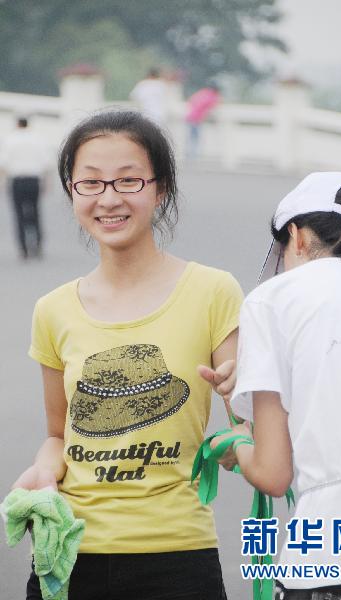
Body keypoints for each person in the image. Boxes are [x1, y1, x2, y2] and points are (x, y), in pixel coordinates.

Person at [11, 109, 243, 600]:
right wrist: (42, 473)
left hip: (180, 559)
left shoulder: (213, 292)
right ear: (71, 192)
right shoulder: (53, 310)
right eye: (90, 183)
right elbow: (59, 435)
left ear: (160, 189)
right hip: (70, 557)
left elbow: (248, 432)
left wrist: (241, 412)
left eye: (129, 180)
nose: (109, 199)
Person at [212, 172, 341, 599]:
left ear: (295, 237)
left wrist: (237, 441)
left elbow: (273, 474)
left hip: (334, 564)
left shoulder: (276, 297)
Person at [0, 117, 50, 259]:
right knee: (35, 212)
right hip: (34, 180)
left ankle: (23, 248)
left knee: (19, 214)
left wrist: (2, 183)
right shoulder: (37, 139)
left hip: (17, 181)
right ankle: (38, 244)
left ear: (17, 124)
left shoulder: (10, 139)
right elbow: (46, 162)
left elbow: (3, 163)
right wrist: (46, 182)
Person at [185, 84, 221, 159]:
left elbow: (191, 100)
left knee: (191, 137)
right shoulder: (213, 97)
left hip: (190, 116)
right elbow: (212, 109)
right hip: (197, 119)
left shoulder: (203, 92)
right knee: (196, 137)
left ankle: (189, 154)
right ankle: (193, 155)